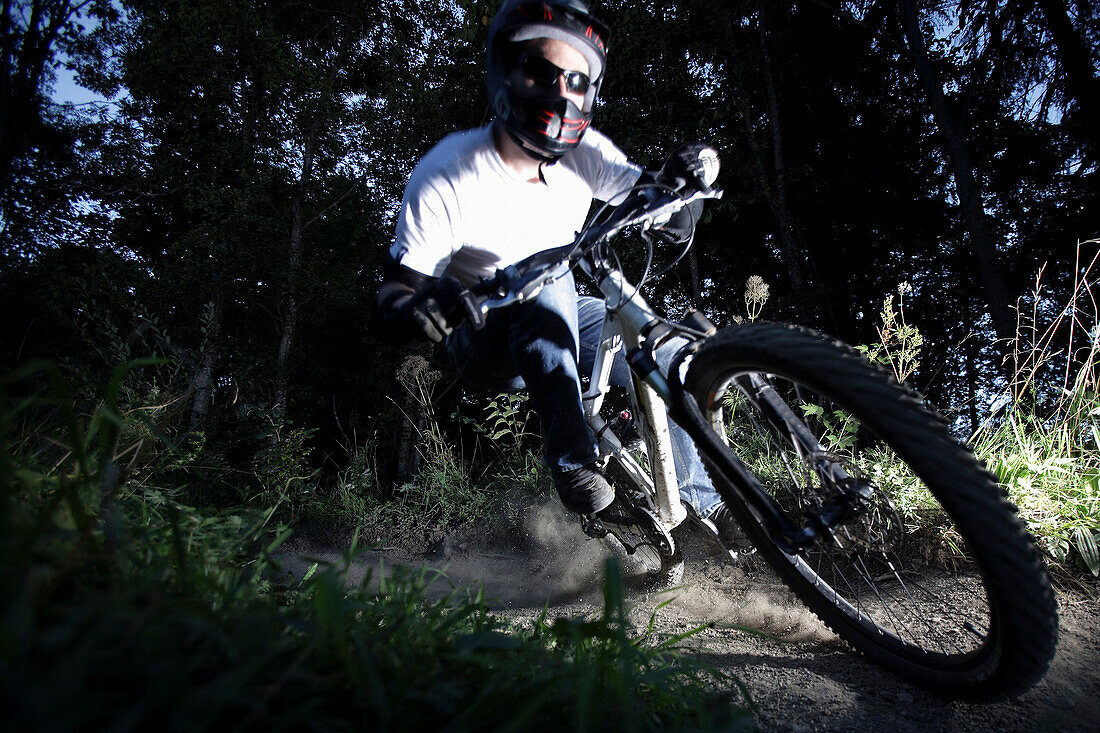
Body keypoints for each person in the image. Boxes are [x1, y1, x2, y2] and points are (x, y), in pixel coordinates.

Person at [376, 0, 738, 543]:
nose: (561, 92)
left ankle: (705, 511)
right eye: (542, 73)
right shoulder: (448, 173)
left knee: (664, 353)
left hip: (565, 313)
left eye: (576, 79)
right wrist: (419, 310)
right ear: (506, 73)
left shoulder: (582, 153)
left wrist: (679, 190)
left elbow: (654, 200)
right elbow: (396, 289)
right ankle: (574, 464)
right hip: (484, 334)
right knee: (551, 283)